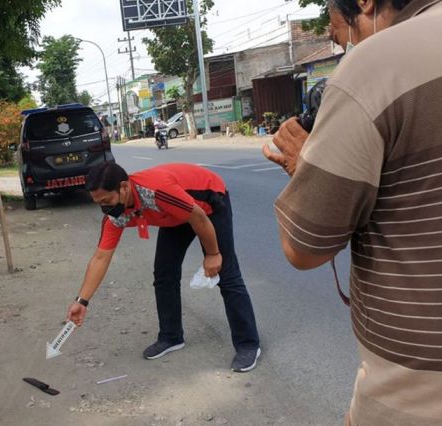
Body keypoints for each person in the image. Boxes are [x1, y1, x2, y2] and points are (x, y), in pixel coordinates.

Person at [263, 0, 442, 424]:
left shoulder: (377, 64)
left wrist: (302, 166)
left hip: (418, 389)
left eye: (341, 32)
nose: (347, 46)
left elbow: (305, 248)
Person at [66, 162, 261, 372]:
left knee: (226, 273)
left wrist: (213, 254)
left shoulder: (157, 192)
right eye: (98, 203)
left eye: (106, 200)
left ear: (124, 187)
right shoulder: (115, 215)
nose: (104, 207)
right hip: (176, 215)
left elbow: (198, 218)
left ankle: (248, 344)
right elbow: (101, 258)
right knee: (164, 274)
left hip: (208, 203)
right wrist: (82, 301)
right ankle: (171, 337)